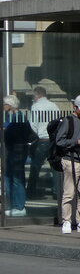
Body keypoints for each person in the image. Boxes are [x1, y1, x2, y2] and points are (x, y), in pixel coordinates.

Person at [0, 94, 37, 217]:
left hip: (17, 150)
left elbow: (10, 133)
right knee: (9, 177)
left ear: (9, 105)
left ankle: (19, 206)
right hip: (14, 150)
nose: (3, 106)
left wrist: (2, 131)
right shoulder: (14, 117)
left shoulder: (18, 117)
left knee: (16, 178)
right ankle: (14, 205)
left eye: (4, 104)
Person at [47, 96, 80, 234]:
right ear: (76, 107)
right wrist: (75, 142)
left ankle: (78, 221)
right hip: (70, 160)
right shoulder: (68, 121)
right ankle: (67, 221)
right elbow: (60, 141)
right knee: (69, 192)